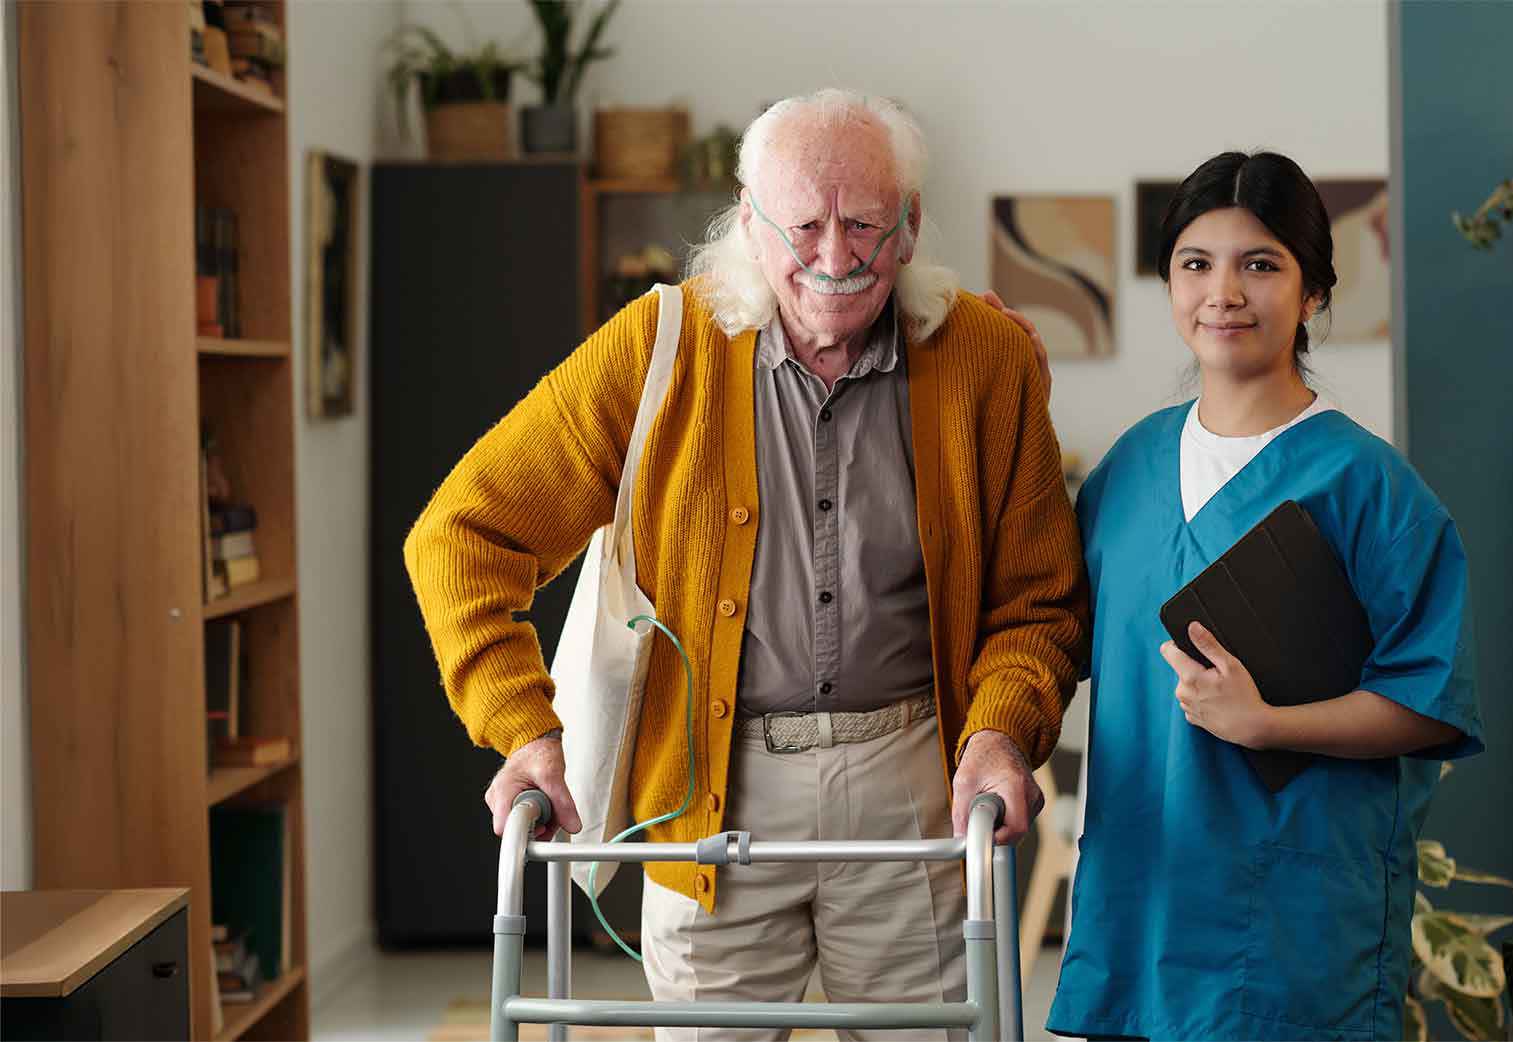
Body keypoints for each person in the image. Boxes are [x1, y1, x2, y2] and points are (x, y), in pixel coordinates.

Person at [402, 88, 1087, 1038]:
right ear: (750, 223)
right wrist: (522, 726)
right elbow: (462, 534)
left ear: (911, 226)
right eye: (805, 224)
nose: (836, 258)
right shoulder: (659, 348)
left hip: (911, 785)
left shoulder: (985, 358)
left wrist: (1001, 734)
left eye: (865, 225)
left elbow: (1039, 603)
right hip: (709, 796)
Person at [1040, 151, 1485, 1042]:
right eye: (1195, 264)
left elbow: (1427, 704)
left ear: (1313, 292)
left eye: (1261, 265)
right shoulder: (1127, 471)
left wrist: (1269, 724)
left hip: (1288, 918)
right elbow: (1056, 638)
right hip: (1141, 896)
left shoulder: (1365, 485)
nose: (1223, 292)